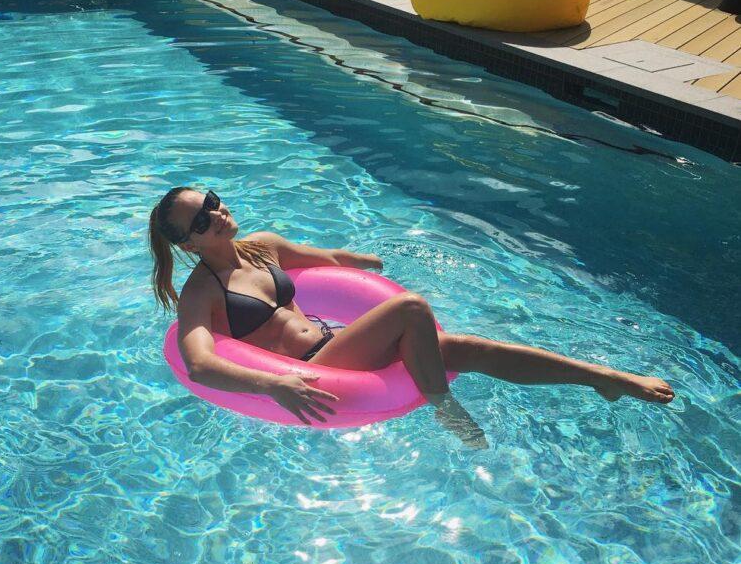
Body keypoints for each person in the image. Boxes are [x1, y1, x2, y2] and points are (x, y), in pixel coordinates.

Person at [148, 186, 675, 443]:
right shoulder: (202, 293)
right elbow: (198, 363)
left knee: (470, 348)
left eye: (213, 201)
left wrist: (364, 262)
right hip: (314, 367)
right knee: (411, 309)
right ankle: (444, 406)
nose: (216, 214)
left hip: (336, 338)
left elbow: (327, 262)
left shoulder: (262, 247)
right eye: (201, 219)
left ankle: (605, 379)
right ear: (187, 243)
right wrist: (273, 385)